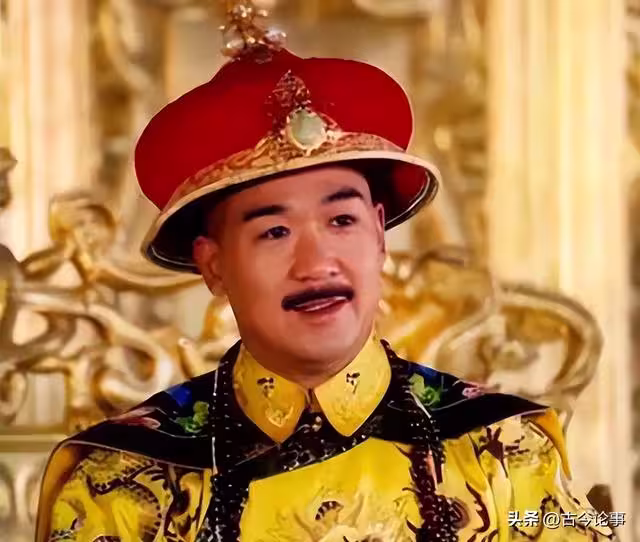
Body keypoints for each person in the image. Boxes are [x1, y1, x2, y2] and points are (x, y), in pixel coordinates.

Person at [35, 5, 617, 542]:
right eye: (274, 232)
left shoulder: (505, 449)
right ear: (214, 265)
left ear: (379, 235)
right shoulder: (125, 477)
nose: (316, 264)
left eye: (341, 220)